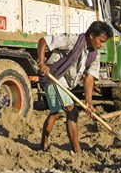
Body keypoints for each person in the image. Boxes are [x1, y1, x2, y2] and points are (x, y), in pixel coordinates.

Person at [37, 21, 113, 153]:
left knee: (56, 113)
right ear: (91, 35)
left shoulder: (95, 54)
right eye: (101, 41)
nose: (102, 45)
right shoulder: (72, 40)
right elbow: (44, 40)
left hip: (66, 82)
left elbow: (90, 77)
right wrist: (42, 63)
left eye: (104, 43)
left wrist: (88, 102)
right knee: (72, 111)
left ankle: (43, 144)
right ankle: (77, 150)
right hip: (53, 76)